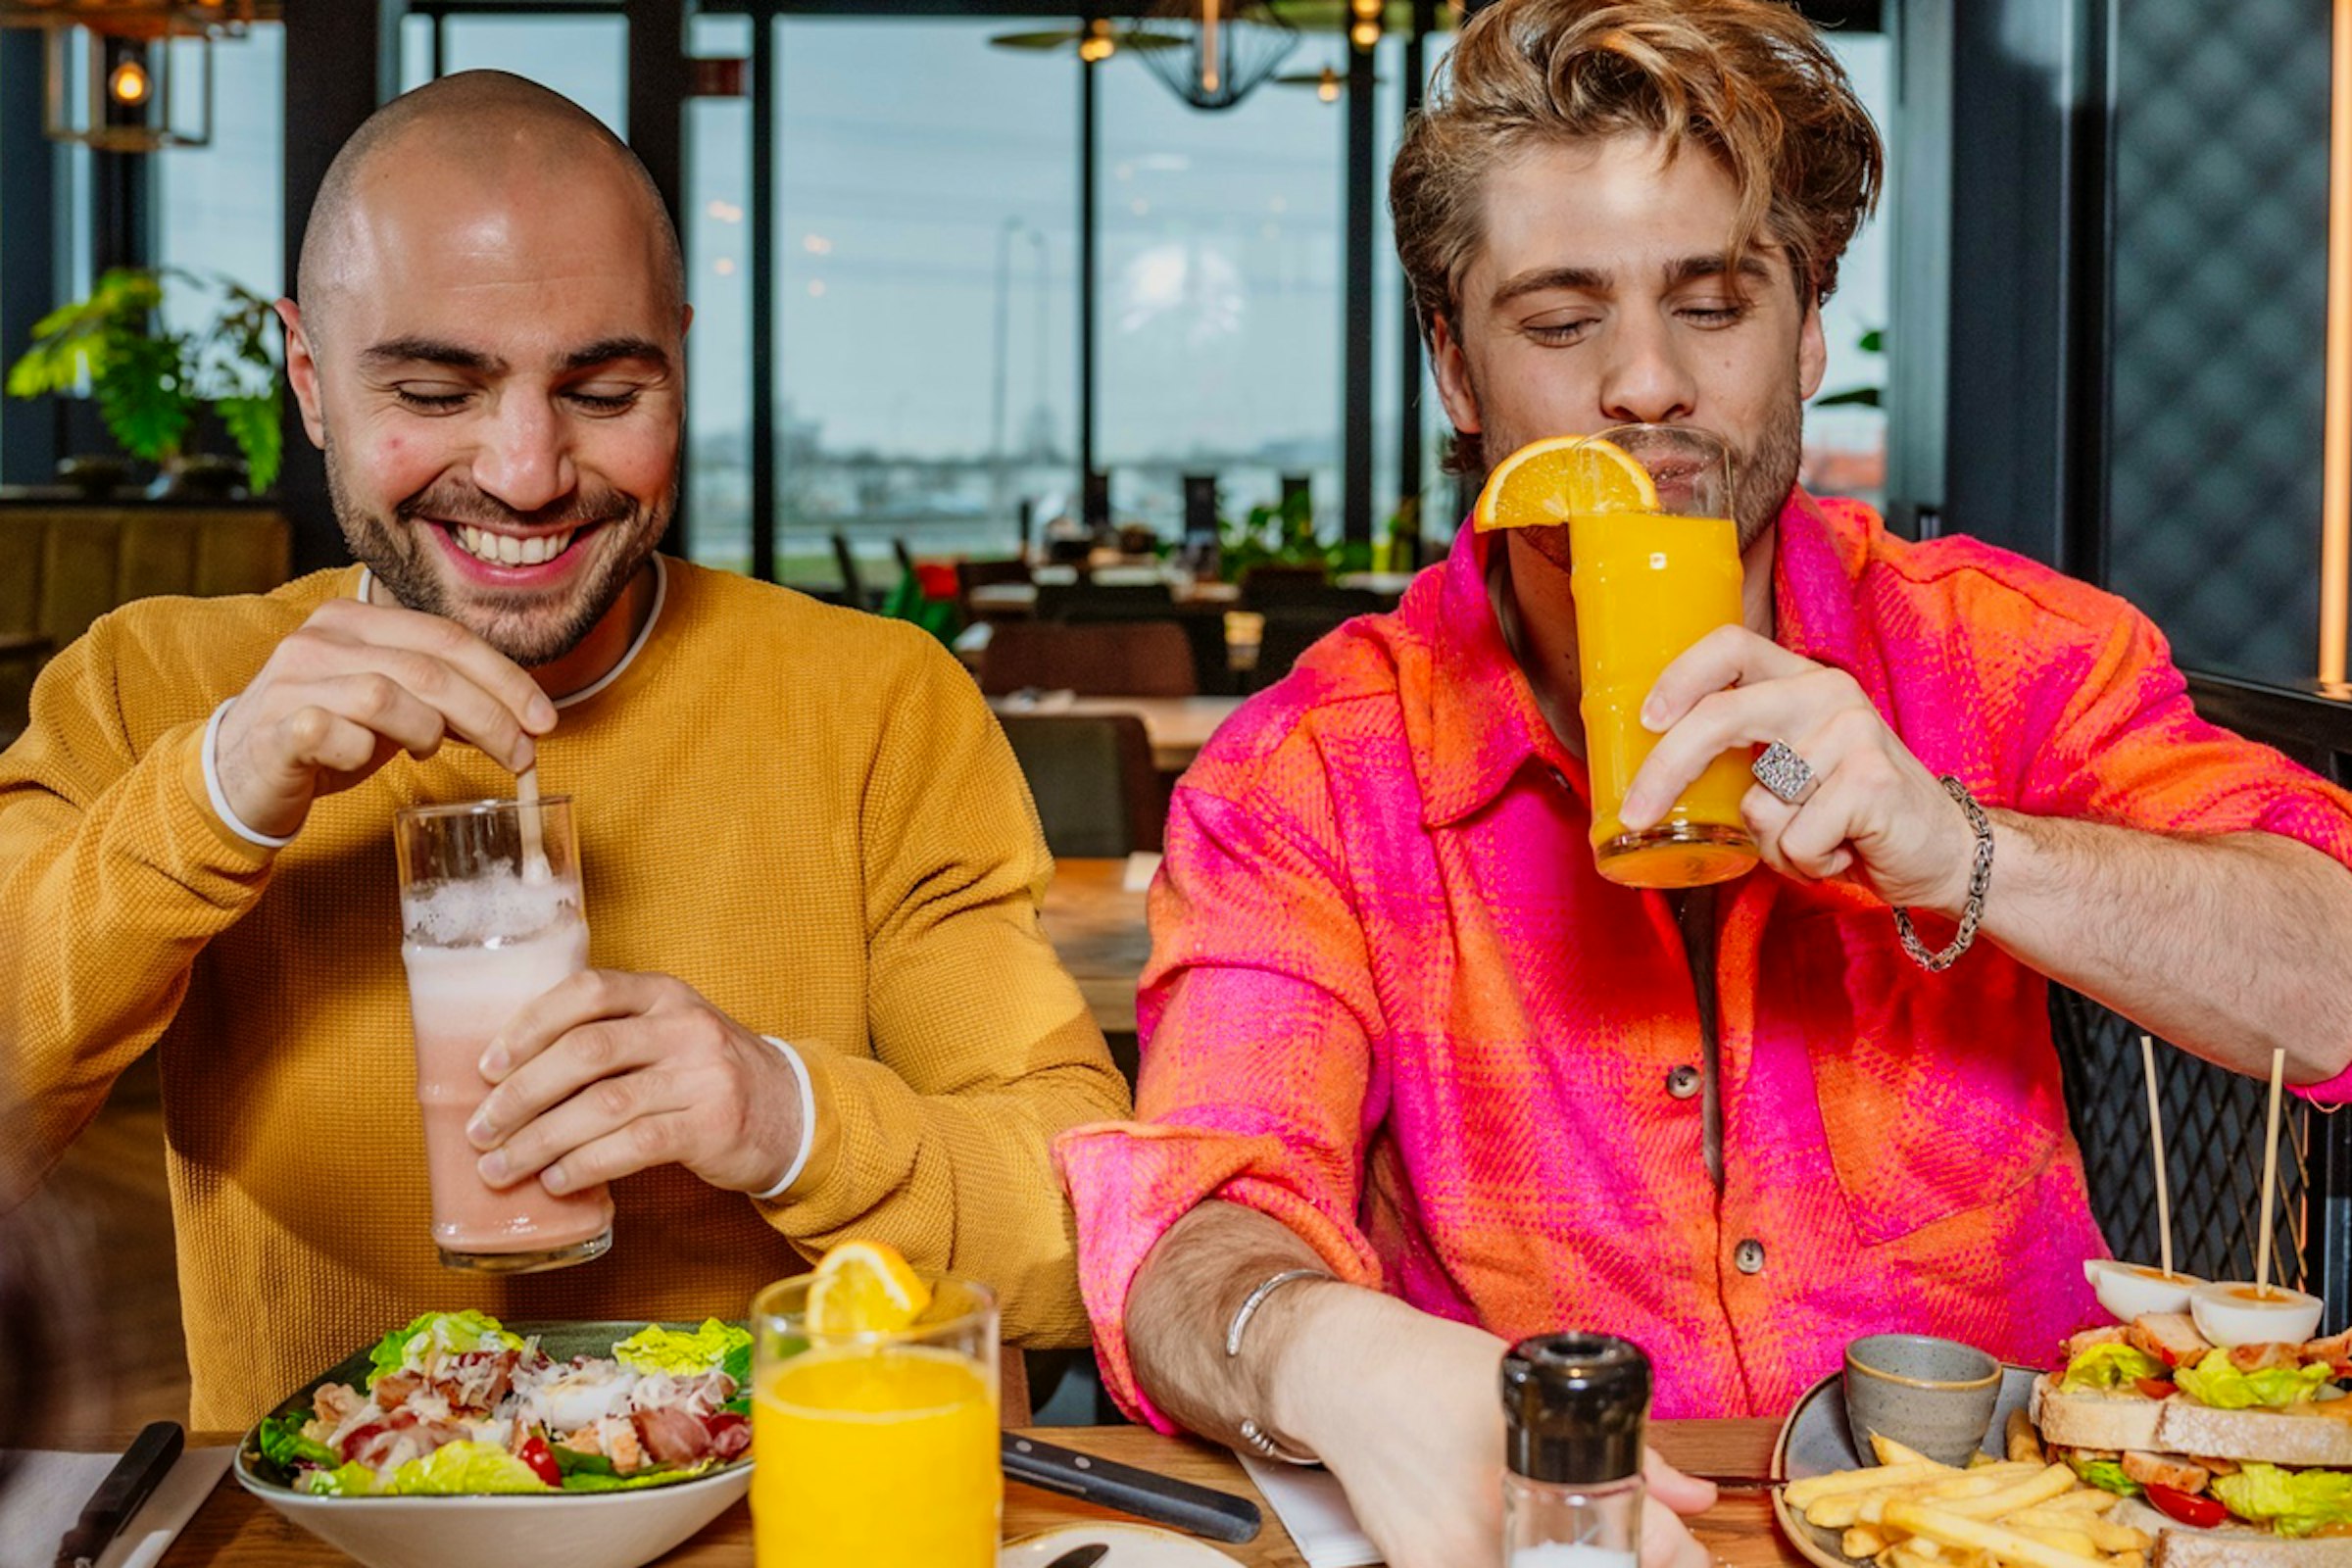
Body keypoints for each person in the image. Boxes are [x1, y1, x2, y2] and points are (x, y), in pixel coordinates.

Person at [1055, 3, 2352, 1565]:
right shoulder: (1317, 770)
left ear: (1806, 331)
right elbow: (1194, 1221)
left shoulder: (2009, 655)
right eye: (1558, 320)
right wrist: (1318, 1350)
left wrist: (1963, 850)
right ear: (1456, 368)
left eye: (1715, 304)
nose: (1648, 387)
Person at [0, 72, 1128, 1429]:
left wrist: (785, 1117)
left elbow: (1085, 1223)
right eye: (434, 387)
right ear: (308, 377)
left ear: (680, 365)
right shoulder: (153, 686)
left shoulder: (879, 703)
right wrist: (216, 792)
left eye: (602, 390)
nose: (529, 471)